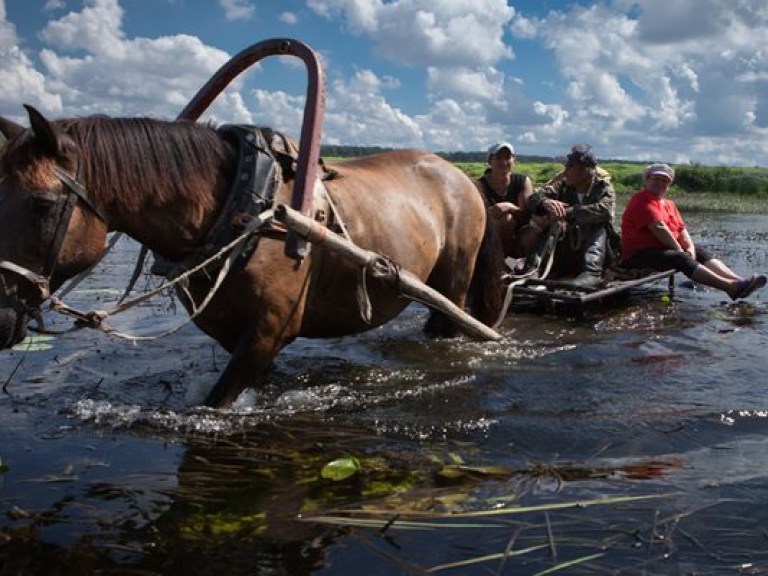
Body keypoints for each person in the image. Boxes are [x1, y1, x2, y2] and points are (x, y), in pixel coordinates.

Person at [621, 163, 766, 300]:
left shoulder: (668, 204)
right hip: (638, 255)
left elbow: (681, 229)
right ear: (646, 181)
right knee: (680, 257)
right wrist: (681, 251)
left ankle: (739, 281)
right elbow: (659, 228)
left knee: (699, 252)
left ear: (669, 185)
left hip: (662, 250)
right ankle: (730, 288)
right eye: (656, 179)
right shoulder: (641, 200)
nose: (660, 183)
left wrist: (690, 248)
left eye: (664, 181)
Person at [526, 143, 617, 286]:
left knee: (598, 224)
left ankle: (591, 272)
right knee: (553, 223)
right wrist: (545, 202)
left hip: (598, 249)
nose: (565, 171)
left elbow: (604, 210)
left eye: (570, 167)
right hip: (567, 248)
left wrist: (568, 212)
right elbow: (533, 199)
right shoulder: (562, 184)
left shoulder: (602, 187)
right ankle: (535, 267)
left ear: (584, 170)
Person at [475, 141, 545, 263]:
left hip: (520, 234)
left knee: (538, 228)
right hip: (491, 238)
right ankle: (498, 262)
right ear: (490, 161)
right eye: (498, 158)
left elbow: (526, 215)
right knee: (506, 220)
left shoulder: (522, 181)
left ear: (514, 160)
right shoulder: (480, 186)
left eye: (508, 158)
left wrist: (510, 207)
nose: (503, 162)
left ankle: (529, 262)